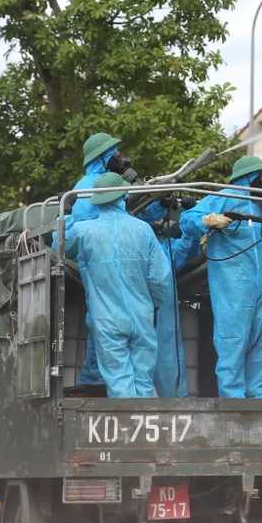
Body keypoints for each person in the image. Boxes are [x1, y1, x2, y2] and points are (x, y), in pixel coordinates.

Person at [179, 155, 262, 399]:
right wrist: (208, 220)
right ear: (250, 178)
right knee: (233, 339)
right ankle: (233, 396)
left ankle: (259, 393)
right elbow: (186, 220)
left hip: (261, 284)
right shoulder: (221, 198)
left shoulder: (257, 209)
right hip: (232, 285)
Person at [54, 172, 171, 398]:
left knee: (119, 383)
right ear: (124, 196)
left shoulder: (85, 230)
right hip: (142, 315)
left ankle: (127, 430)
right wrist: (151, 305)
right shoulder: (143, 229)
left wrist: (66, 213)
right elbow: (159, 277)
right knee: (144, 381)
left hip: (107, 319)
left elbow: (61, 246)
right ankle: (145, 430)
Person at [71, 133, 167, 385]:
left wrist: (161, 204)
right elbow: (90, 228)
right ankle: (94, 378)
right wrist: (151, 303)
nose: (119, 157)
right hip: (102, 265)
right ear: (101, 157)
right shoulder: (85, 188)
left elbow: (128, 216)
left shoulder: (109, 188)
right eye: (114, 153)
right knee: (101, 321)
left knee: (105, 325)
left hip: (119, 268)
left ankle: (98, 380)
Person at [154, 232, 201, 398]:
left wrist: (190, 230)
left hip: (156, 316)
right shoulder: (162, 249)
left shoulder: (163, 248)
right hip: (158, 315)